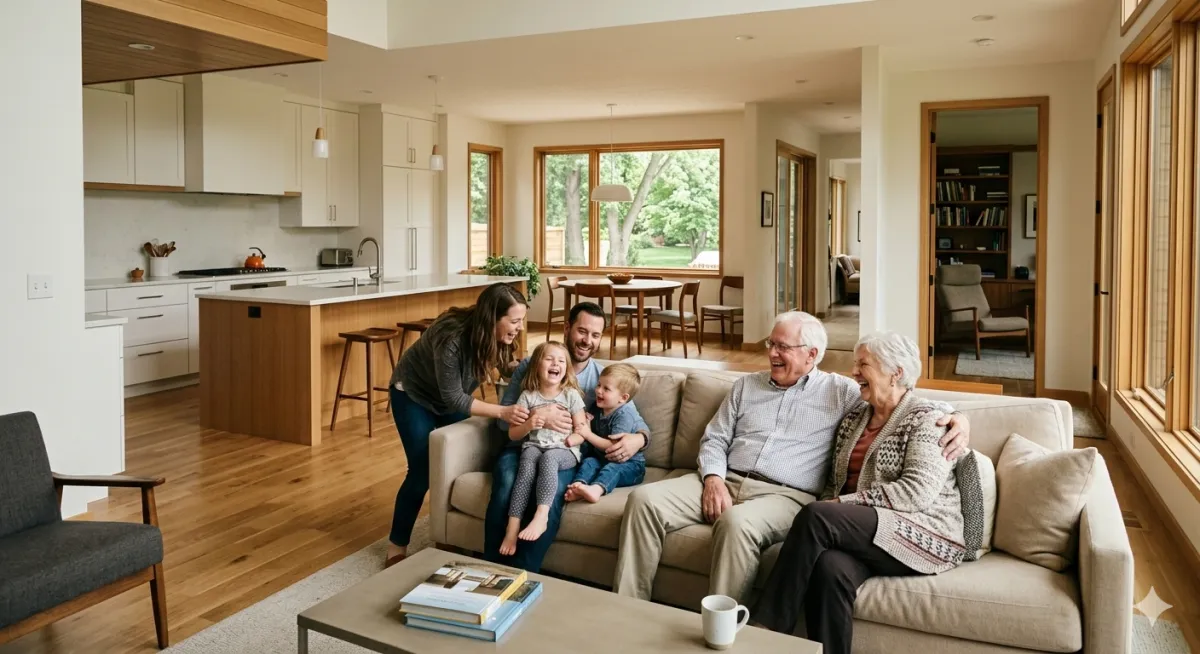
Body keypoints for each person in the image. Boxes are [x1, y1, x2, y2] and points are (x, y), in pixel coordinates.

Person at [613, 311, 970, 603]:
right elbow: (714, 439)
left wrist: (957, 417)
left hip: (785, 495)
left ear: (811, 355)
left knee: (737, 524)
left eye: (782, 347)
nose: (771, 353)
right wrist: (713, 479)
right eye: (771, 344)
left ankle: (727, 632)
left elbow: (900, 399)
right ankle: (628, 608)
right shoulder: (745, 386)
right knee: (644, 500)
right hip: (725, 477)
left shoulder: (842, 392)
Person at [754, 332, 967, 654]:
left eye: (863, 364)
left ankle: (765, 632)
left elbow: (916, 493)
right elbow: (834, 483)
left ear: (896, 372)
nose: (853, 372)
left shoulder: (928, 419)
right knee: (829, 568)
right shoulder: (855, 416)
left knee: (818, 515)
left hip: (925, 533)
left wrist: (840, 505)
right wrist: (837, 502)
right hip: (869, 533)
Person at [484, 303, 649, 571]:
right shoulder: (532, 365)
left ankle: (522, 574)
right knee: (505, 482)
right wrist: (539, 417)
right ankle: (489, 569)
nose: (587, 340)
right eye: (582, 331)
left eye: (595, 335)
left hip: (564, 453)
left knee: (555, 490)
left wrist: (640, 438)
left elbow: (634, 418)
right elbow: (504, 423)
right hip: (523, 446)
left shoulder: (601, 378)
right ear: (567, 328)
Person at [385, 283, 530, 567]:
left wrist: (523, 368)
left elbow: (503, 366)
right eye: (514, 321)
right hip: (413, 394)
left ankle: (446, 533)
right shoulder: (451, 335)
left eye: (521, 320)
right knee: (423, 469)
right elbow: (454, 398)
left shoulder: (500, 335)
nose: (520, 328)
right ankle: (396, 546)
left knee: (461, 461)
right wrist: (502, 412)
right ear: (492, 319)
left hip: (448, 399)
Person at [501, 342, 589, 554]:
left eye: (560, 361)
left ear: (566, 369)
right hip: (534, 446)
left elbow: (582, 430)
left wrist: (571, 441)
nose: (555, 364)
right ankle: (512, 528)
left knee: (549, 459)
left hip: (564, 451)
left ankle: (542, 516)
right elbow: (513, 433)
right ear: (536, 366)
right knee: (525, 469)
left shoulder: (570, 396)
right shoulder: (528, 396)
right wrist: (529, 424)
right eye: (549, 359)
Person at [565, 363, 650, 503]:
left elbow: (612, 446)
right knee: (589, 462)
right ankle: (578, 486)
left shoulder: (624, 414)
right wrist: (587, 424)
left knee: (612, 469)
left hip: (630, 466)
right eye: (599, 385)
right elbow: (588, 431)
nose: (598, 391)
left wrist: (587, 434)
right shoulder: (597, 408)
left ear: (623, 398)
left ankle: (596, 489)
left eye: (606, 389)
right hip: (602, 460)